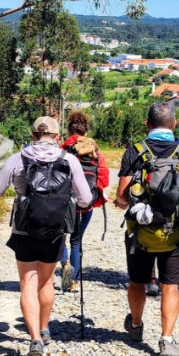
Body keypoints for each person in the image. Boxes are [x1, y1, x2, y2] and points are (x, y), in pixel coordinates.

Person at [0, 116, 92, 356]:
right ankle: (44, 329)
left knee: (27, 284)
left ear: (33, 135)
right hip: (54, 231)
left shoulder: (18, 158)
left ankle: (34, 339)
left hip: (24, 230)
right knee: (45, 283)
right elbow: (85, 199)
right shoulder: (69, 160)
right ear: (58, 138)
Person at [113, 101, 179, 356]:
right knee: (170, 286)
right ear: (174, 124)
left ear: (147, 124)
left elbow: (121, 195)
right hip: (175, 235)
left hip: (140, 233)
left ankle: (137, 326)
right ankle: (166, 339)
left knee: (137, 281)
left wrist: (125, 203)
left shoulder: (135, 152)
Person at [58, 111, 110, 293]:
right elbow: (103, 178)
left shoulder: (63, 149)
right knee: (77, 241)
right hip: (86, 205)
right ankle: (73, 282)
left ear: (69, 129)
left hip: (64, 203)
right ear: (86, 131)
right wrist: (96, 197)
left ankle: (64, 264)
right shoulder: (95, 151)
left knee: (60, 237)